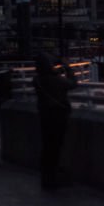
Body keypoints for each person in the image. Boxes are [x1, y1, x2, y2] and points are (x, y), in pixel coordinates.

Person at [33, 52, 77, 189]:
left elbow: (50, 79)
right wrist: (68, 67)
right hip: (58, 116)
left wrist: (55, 71)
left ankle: (46, 178)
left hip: (44, 115)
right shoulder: (56, 80)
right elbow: (72, 84)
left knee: (47, 147)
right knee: (56, 147)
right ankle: (53, 179)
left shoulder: (37, 80)